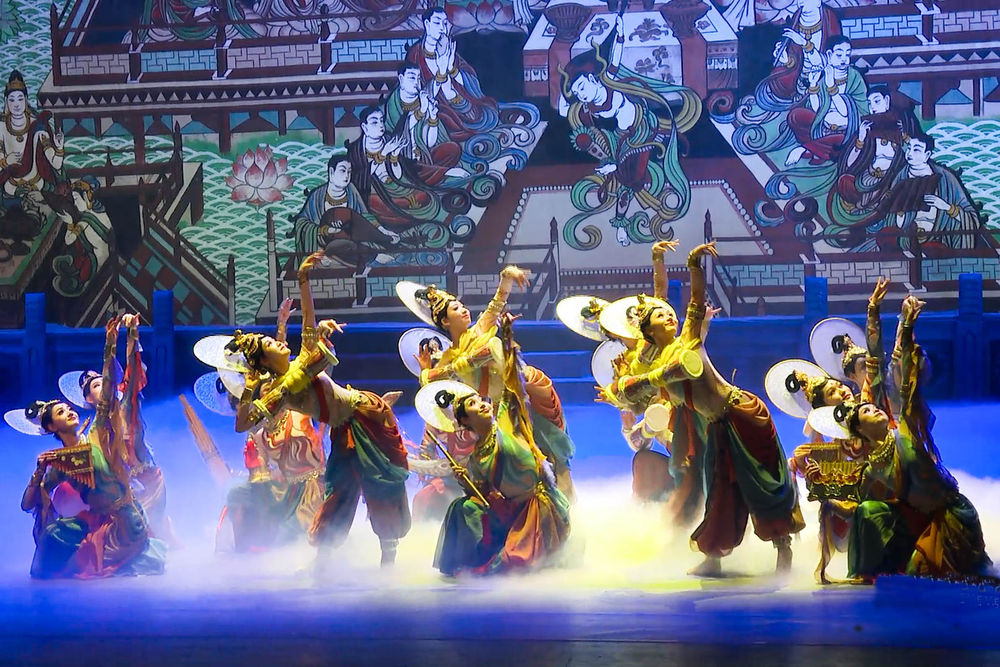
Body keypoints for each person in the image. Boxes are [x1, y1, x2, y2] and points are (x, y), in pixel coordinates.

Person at [602, 241, 805, 576]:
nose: (669, 314)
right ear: (648, 330)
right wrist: (623, 390)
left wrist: (694, 265)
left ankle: (783, 548)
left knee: (763, 483)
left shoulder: (688, 340)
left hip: (742, 414)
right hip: (714, 425)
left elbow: (695, 300)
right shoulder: (650, 363)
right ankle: (714, 558)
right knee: (719, 491)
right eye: (660, 315)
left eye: (669, 313)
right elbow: (627, 394)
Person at [230, 252, 410, 567]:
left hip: (366, 413)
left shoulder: (301, 360)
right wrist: (249, 384)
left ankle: (388, 555)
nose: (279, 342)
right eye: (271, 345)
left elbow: (308, 322)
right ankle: (323, 558)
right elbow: (242, 424)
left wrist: (303, 278)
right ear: (265, 362)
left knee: (380, 482)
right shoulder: (281, 392)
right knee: (340, 488)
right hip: (345, 428)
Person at [807, 295, 992, 581]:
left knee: (921, 574)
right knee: (868, 512)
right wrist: (821, 486)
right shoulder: (866, 456)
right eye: (867, 411)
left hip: (946, 514)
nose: (873, 409)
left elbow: (902, 380)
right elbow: (852, 500)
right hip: (907, 507)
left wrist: (903, 325)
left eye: (872, 408)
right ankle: (864, 574)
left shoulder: (903, 429)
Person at [399, 265, 577, 500]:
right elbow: (434, 390)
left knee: (548, 449)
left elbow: (497, 302)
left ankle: (562, 500)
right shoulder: (447, 358)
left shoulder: (479, 330)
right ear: (445, 321)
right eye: (456, 309)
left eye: (462, 305)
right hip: (488, 412)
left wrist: (507, 276)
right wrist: (429, 372)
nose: (464, 310)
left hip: (515, 400)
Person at [12, 316, 166, 578]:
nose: (70, 411)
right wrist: (38, 473)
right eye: (61, 412)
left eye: (69, 408)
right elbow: (28, 505)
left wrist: (110, 345)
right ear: (52, 427)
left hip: (125, 520)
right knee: (54, 535)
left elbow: (108, 392)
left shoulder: (95, 435)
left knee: (86, 557)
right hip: (98, 520)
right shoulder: (60, 463)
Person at [420, 314, 571, 576]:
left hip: (536, 510)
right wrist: (464, 482)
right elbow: (482, 495)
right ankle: (466, 560)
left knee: (511, 565)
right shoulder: (477, 456)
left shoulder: (508, 421)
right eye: (474, 404)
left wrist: (508, 337)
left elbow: (514, 380)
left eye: (481, 400)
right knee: (461, 508)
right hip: (511, 511)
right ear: (464, 421)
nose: (483, 403)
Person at [558, 14, 701, 247]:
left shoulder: (609, 79)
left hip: (643, 130)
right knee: (605, 160)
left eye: (582, 87)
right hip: (620, 142)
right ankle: (621, 222)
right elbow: (565, 110)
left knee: (631, 180)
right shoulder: (587, 109)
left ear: (592, 78)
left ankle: (625, 211)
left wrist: (621, 33)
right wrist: (564, 91)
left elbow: (615, 55)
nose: (581, 95)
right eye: (577, 93)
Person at [0, 69, 64, 201]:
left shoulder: (37, 124)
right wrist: (6, 161)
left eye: (20, 99)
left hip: (37, 184)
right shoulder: (1, 126)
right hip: (10, 186)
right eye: (12, 100)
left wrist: (59, 148)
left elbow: (56, 165)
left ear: (26, 99)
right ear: (6, 101)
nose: (16, 104)